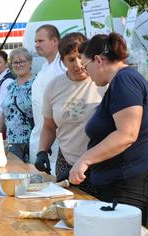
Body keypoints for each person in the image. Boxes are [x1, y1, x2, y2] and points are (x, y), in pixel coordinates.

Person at [69, 33, 148, 225]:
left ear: (98, 60)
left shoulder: (124, 80)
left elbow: (126, 134)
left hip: (128, 182)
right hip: (120, 180)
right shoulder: (122, 80)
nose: (86, 72)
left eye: (86, 66)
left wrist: (85, 160)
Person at [36, 33, 106, 181]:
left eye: (81, 57)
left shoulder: (102, 83)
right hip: (66, 161)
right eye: (71, 59)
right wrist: (42, 151)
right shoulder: (54, 86)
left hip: (99, 163)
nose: (78, 64)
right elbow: (49, 126)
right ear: (62, 61)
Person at [29, 24, 65, 175]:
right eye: (35, 41)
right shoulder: (44, 66)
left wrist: (48, 142)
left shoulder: (62, 68)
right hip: (39, 136)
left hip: (56, 142)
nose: (36, 45)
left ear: (55, 41)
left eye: (41, 41)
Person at [0, 47, 34, 162]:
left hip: (30, 141)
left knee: (31, 175)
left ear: (30, 62)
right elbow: (4, 112)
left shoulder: (36, 84)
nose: (18, 65)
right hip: (12, 140)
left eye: (22, 61)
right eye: (15, 62)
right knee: (14, 174)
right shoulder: (11, 85)